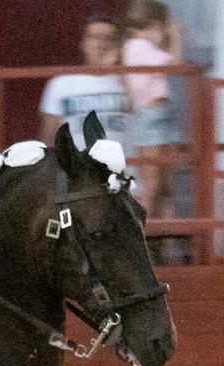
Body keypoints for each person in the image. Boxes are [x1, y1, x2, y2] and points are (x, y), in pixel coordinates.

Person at [122, 0, 182, 220]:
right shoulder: (137, 47)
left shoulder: (138, 48)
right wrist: (176, 36)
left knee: (164, 187)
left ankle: (170, 246)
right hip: (152, 117)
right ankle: (141, 235)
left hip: (158, 116)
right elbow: (175, 64)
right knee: (153, 185)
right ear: (153, 25)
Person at [39, 13, 133, 149]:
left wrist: (117, 71)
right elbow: (49, 135)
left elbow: (145, 120)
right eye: (95, 38)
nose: (101, 44)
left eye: (108, 39)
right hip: (77, 168)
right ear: (83, 43)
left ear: (118, 45)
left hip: (122, 167)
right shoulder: (60, 84)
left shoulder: (129, 80)